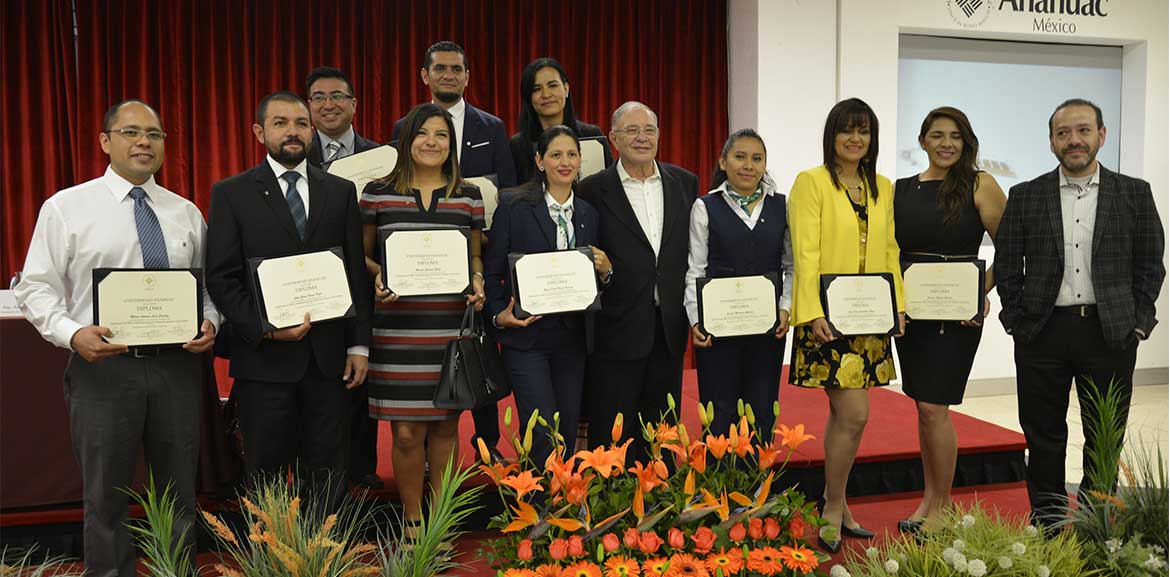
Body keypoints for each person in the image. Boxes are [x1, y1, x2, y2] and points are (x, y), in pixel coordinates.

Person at [14, 99, 219, 577]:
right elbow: (35, 287)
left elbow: (207, 289)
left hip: (176, 367)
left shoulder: (185, 212)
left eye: (154, 133)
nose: (144, 142)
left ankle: (175, 571)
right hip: (103, 367)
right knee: (105, 494)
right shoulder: (67, 207)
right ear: (106, 142)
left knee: (178, 492)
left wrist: (211, 322)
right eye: (130, 132)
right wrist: (71, 334)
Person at [995, 98, 1165, 530]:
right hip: (1042, 333)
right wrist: (1015, 321)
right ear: (1051, 141)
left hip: (1110, 334)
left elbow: (1151, 263)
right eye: (1063, 132)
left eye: (1083, 130)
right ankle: (1049, 525)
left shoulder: (1133, 193)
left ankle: (1096, 524)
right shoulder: (1025, 195)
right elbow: (1009, 264)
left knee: (1104, 436)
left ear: (1101, 136)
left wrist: (1140, 323)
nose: (1074, 140)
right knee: (1044, 435)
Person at [205, 91, 372, 512]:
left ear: (312, 130)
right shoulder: (232, 193)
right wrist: (265, 327)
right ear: (260, 132)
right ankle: (273, 558)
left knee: (329, 466)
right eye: (280, 123)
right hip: (264, 361)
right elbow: (222, 278)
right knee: (265, 469)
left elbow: (354, 273)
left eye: (301, 123)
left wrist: (358, 345)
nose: (293, 131)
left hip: (328, 358)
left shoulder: (339, 192)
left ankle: (327, 557)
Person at [361, 103, 487, 537]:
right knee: (408, 434)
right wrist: (379, 278)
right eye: (423, 134)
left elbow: (475, 253)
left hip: (449, 328)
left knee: (447, 429)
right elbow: (364, 255)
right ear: (406, 140)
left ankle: (441, 519)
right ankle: (413, 520)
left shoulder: (468, 194)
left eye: (442, 135)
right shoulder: (377, 192)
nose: (432, 142)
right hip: (397, 330)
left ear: (452, 145)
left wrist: (478, 279)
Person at [788, 98, 905, 552]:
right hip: (828, 319)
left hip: (872, 316)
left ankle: (839, 503)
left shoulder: (882, 186)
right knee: (855, 413)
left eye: (864, 131)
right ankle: (833, 504)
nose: (855, 139)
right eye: (847, 130)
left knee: (846, 417)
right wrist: (812, 311)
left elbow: (891, 249)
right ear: (832, 136)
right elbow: (805, 252)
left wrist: (898, 304)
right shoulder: (811, 182)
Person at [392, 40, 515, 461]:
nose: (449, 75)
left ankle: (486, 445)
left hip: (476, 256)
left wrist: (484, 261)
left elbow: (509, 191)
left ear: (467, 76)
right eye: (440, 68)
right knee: (426, 359)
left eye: (457, 69)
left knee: (477, 351)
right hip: (418, 267)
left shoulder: (492, 127)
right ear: (424, 75)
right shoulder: (404, 127)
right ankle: (427, 446)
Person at [892, 106, 1007, 533]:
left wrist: (982, 291)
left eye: (955, 136)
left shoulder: (981, 184)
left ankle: (942, 506)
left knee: (935, 407)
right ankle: (930, 499)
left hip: (956, 318)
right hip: (915, 315)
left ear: (966, 142)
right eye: (937, 135)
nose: (946, 143)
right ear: (922, 141)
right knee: (924, 408)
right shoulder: (901, 190)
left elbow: (1011, 248)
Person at [578, 101, 699, 464]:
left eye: (648, 130)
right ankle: (611, 513)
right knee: (612, 433)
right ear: (614, 138)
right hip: (615, 329)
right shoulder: (592, 190)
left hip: (668, 328)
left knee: (662, 432)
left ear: (660, 136)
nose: (642, 138)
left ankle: (661, 509)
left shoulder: (685, 182)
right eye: (631, 131)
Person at [485, 125, 612, 467]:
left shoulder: (588, 214)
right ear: (540, 161)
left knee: (568, 427)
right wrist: (499, 315)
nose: (565, 162)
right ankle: (540, 509)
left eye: (572, 154)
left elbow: (595, 283)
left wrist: (606, 270)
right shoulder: (513, 206)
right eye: (556, 154)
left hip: (572, 340)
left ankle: (562, 508)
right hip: (527, 338)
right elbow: (493, 269)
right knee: (541, 429)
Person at [685, 128, 793, 441]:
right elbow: (695, 269)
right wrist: (696, 319)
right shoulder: (705, 207)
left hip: (766, 329)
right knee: (719, 412)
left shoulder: (781, 207)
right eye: (740, 157)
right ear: (723, 161)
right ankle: (718, 486)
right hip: (719, 330)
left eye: (757, 159)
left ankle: (758, 487)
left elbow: (791, 266)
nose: (749, 165)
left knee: (761, 409)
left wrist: (785, 308)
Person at [304, 65, 383, 489]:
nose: (329, 104)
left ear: (355, 104)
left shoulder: (383, 156)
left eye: (338, 96)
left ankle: (364, 467)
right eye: (318, 97)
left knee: (365, 375)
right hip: (316, 286)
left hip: (374, 279)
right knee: (326, 379)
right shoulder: (295, 153)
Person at [509, 57, 612, 184]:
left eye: (552, 85)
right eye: (536, 89)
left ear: (566, 89)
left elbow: (609, 185)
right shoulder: (517, 145)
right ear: (528, 97)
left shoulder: (591, 135)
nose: (546, 94)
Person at [305, 66, 382, 170]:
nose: (328, 106)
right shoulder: (298, 155)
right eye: (319, 98)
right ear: (309, 105)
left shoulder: (377, 155)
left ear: (353, 105)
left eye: (337, 97)